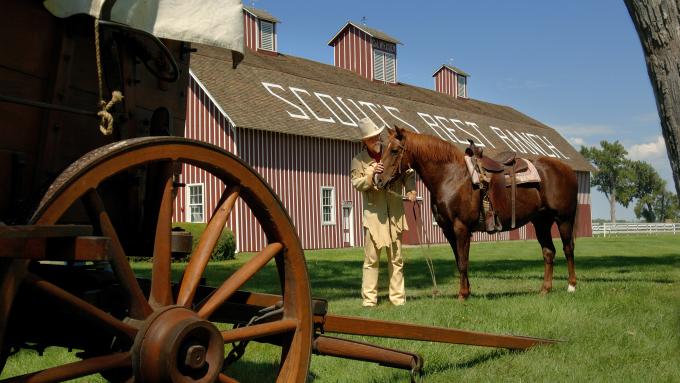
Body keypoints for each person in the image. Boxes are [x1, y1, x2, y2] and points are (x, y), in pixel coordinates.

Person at [350, 117, 417, 307]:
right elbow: (357, 183)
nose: (377, 140)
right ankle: (369, 300)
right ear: (364, 141)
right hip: (374, 218)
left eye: (377, 136)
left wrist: (411, 189)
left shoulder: (391, 151)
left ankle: (397, 299)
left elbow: (408, 172)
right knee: (371, 260)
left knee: (396, 259)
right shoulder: (358, 161)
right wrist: (372, 176)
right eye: (372, 138)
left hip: (395, 215)